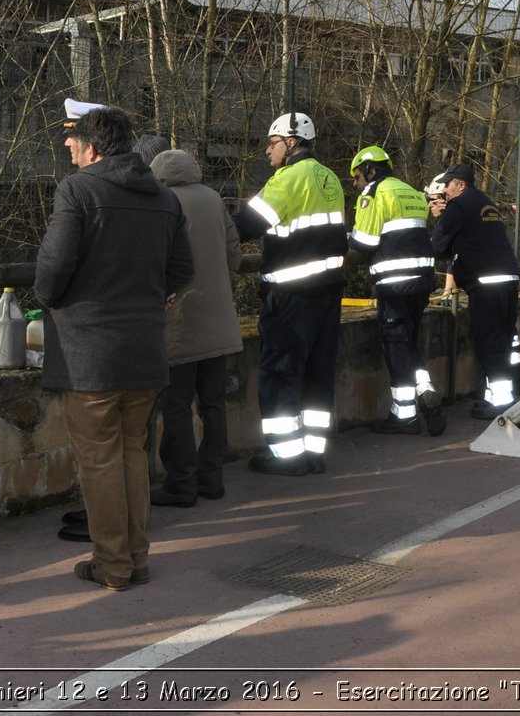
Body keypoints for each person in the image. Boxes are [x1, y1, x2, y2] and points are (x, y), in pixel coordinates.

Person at [35, 102, 193, 590]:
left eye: (73, 138)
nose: (67, 144)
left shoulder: (77, 190)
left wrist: (51, 298)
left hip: (91, 354)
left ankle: (113, 564)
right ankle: (135, 558)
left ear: (93, 147)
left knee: (99, 458)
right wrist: (155, 297)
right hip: (145, 349)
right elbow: (183, 271)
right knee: (130, 452)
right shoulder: (165, 197)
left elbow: (53, 269)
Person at [233, 112, 346, 476]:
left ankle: (286, 457)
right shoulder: (330, 177)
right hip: (328, 294)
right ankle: (313, 453)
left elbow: (245, 227)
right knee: (318, 374)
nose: (268, 150)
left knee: (280, 373)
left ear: (291, 143)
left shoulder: (286, 179)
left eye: (272, 142)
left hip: (290, 296)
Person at [148, 148, 242, 505]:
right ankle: (212, 478)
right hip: (219, 319)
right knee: (213, 404)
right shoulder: (214, 198)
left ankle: (182, 482)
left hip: (180, 319)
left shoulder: (162, 200)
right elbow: (234, 254)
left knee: (176, 405)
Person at [348, 146, 444, 437]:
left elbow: (364, 243)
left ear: (371, 171)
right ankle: (426, 390)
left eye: (357, 176)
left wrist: (346, 239)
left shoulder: (374, 193)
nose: (355, 183)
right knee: (410, 344)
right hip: (422, 281)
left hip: (394, 282)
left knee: (396, 346)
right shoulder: (412, 192)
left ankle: (405, 416)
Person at [431, 163, 520, 420]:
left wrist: (441, 218)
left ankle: (502, 405)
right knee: (502, 339)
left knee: (488, 341)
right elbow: (472, 239)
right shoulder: (486, 203)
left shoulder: (459, 206)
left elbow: (437, 245)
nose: (444, 191)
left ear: (461, 185)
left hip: (486, 283)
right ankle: (496, 398)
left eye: (447, 185)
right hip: (508, 278)